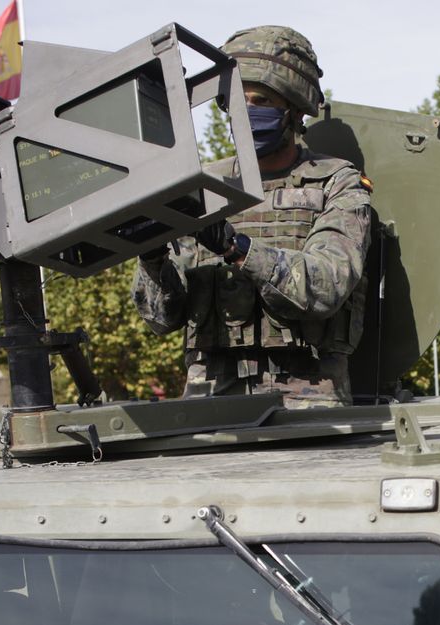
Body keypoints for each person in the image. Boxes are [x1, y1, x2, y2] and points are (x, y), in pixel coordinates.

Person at [132, 26, 372, 408]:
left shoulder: (335, 183)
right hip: (208, 399)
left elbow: (327, 285)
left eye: (261, 100)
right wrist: (151, 256)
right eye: (236, 102)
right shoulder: (200, 187)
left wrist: (236, 247)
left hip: (307, 398)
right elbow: (161, 319)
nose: (247, 113)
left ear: (294, 110)